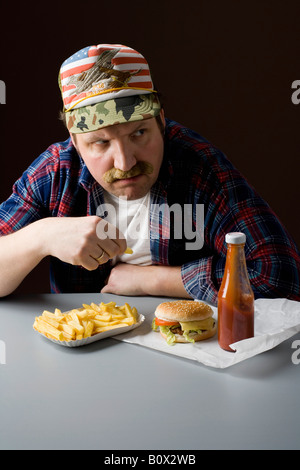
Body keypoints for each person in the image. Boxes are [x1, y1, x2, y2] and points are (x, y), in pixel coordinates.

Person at [0, 43, 299, 305]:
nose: (126, 162)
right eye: (101, 142)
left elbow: (281, 275)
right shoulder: (55, 173)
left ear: (161, 121)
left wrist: (153, 280)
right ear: (75, 141)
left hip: (185, 349)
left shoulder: (199, 166)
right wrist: (41, 236)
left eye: (139, 133)